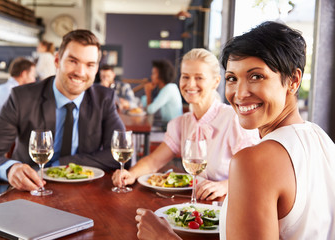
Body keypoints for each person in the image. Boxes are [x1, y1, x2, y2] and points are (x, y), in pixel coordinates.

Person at [135, 21, 335, 240]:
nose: (239, 94)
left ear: (293, 81)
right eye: (232, 78)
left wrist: (163, 237)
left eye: (256, 76)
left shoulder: (253, 161)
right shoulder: (323, 141)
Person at [0, 29, 126, 192]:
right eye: (73, 61)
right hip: (30, 190)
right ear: (57, 60)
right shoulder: (22, 97)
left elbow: (120, 153)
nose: (81, 72)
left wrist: (64, 163)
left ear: (96, 69)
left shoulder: (104, 99)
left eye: (90, 65)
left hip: (86, 191)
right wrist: (10, 169)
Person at [112, 48, 259, 200]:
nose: (190, 84)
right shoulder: (181, 123)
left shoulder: (234, 119)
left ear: (216, 82)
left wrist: (224, 186)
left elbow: (256, 173)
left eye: (199, 77)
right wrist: (130, 174)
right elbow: (154, 161)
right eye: (185, 77)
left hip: (232, 204)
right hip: (198, 204)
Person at [0, 57, 36, 135]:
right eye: (32, 75)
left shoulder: (6, 88)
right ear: (24, 74)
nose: (34, 80)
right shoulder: (11, 92)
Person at [141, 60, 183, 126]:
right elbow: (145, 105)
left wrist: (148, 92)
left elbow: (150, 110)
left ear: (162, 75)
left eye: (154, 73)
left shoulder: (169, 89)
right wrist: (147, 93)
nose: (151, 76)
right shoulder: (166, 88)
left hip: (173, 129)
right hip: (168, 127)